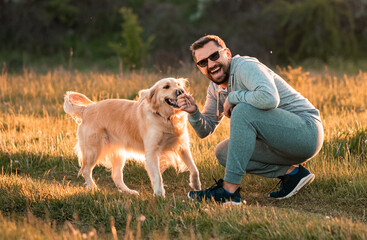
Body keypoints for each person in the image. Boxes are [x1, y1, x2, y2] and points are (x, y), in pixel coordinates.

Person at [177, 35, 324, 205]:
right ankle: (293, 174)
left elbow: (269, 99)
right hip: (278, 143)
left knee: (242, 109)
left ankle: (229, 192)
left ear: (227, 53)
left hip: (306, 132)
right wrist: (194, 112)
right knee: (223, 153)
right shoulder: (215, 88)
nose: (211, 65)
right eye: (203, 63)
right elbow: (205, 130)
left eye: (214, 56)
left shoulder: (245, 66)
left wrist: (233, 97)